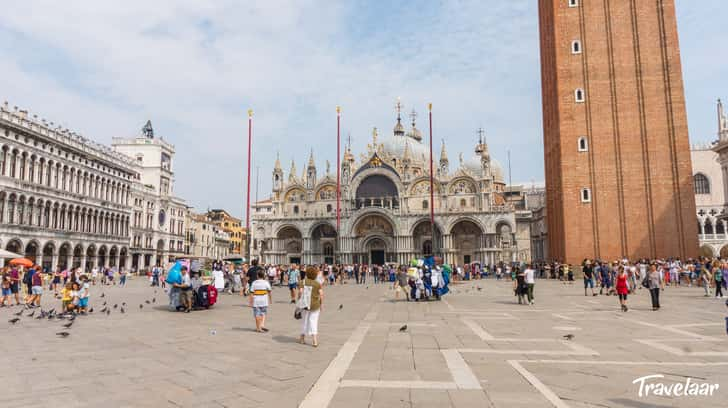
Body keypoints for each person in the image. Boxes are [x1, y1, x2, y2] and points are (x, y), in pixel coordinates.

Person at [299, 266, 323, 347]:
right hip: (315, 305)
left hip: (305, 304)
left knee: (304, 321)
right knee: (313, 321)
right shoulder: (317, 284)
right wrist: (321, 304)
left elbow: (300, 292)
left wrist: (299, 301)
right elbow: (321, 294)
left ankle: (302, 338)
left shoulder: (303, 282)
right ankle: (314, 341)